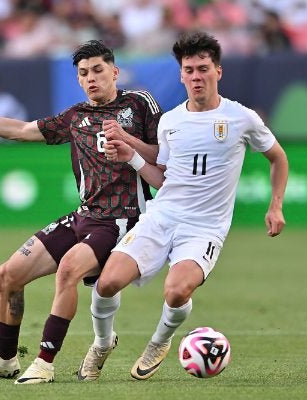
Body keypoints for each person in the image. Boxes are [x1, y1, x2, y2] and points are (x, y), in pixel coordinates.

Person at [0, 39, 162, 384]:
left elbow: (162, 157)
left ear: (115, 71)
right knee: (8, 274)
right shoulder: (75, 117)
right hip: (84, 216)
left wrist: (130, 144)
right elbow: (21, 130)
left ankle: (44, 363)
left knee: (69, 270)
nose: (91, 78)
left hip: (123, 218)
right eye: (84, 73)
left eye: (98, 70)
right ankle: (5, 358)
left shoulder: (139, 104)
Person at [77, 30, 288, 382]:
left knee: (176, 290)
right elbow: (162, 177)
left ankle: (159, 341)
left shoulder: (241, 118)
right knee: (106, 283)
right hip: (162, 215)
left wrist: (276, 206)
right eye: (188, 69)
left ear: (218, 71)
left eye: (203, 68)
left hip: (205, 227)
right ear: (181, 75)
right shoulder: (171, 121)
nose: (196, 76)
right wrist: (131, 157)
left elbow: (278, 158)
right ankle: (101, 343)